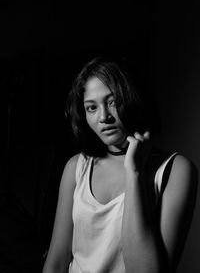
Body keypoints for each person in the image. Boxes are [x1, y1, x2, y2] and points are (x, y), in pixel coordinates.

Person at [42, 57, 198, 273]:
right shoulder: (76, 167)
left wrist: (133, 172)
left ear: (133, 98)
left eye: (113, 102)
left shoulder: (176, 170)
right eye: (91, 108)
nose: (104, 117)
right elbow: (56, 260)